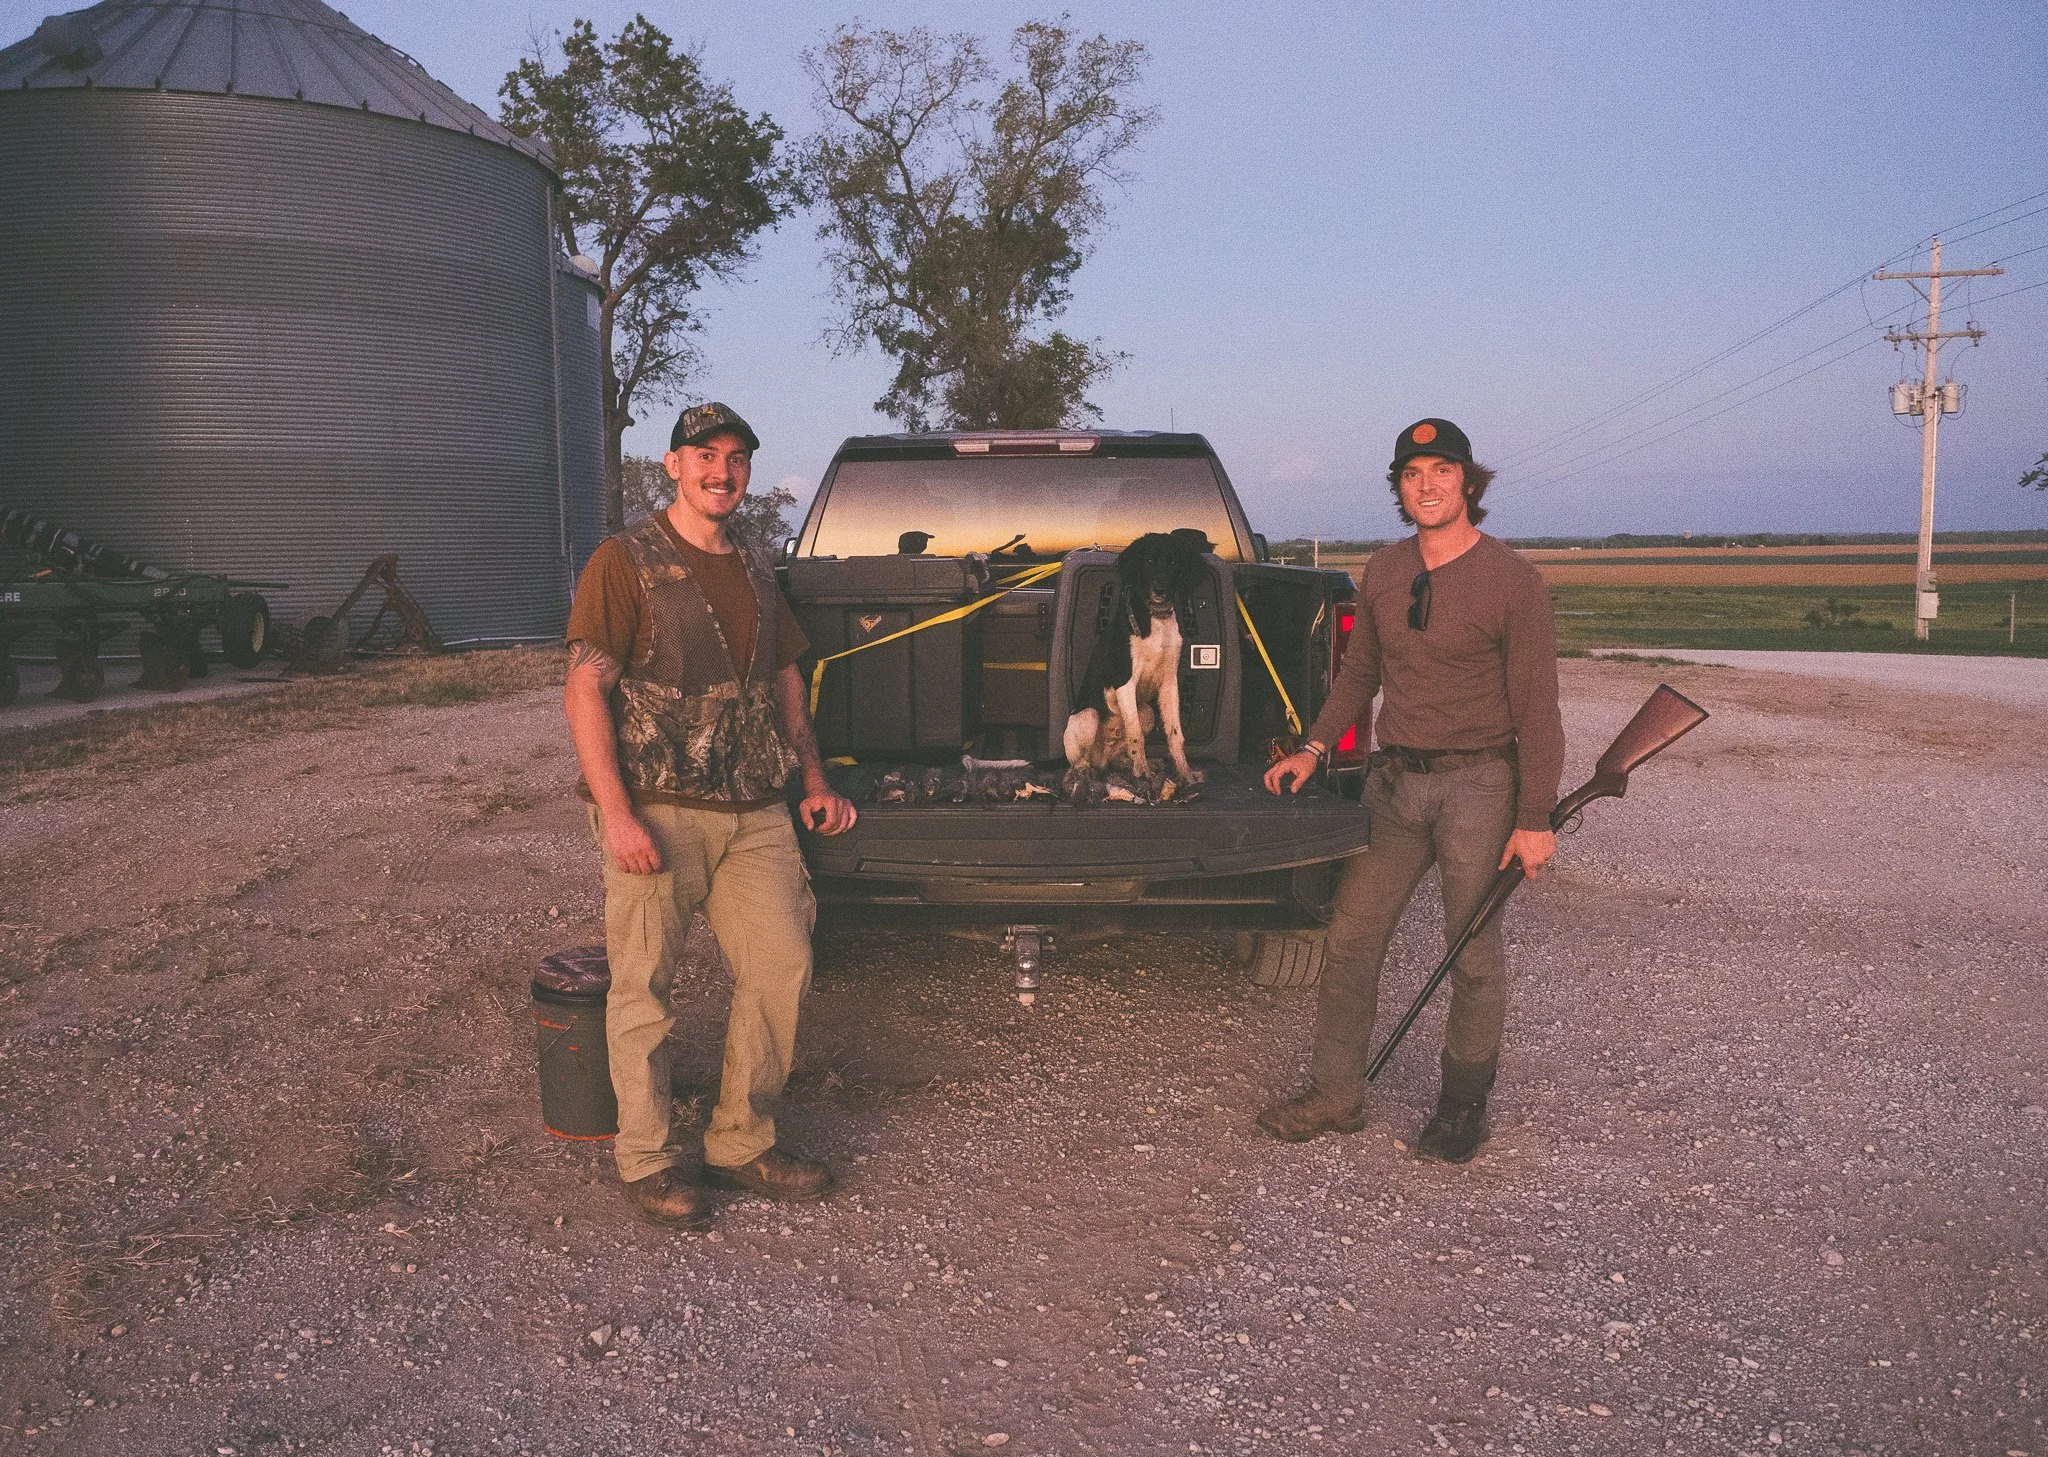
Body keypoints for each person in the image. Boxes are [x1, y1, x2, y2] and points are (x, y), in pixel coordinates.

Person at [563, 401, 857, 1227]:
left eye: (735, 458)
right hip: (658, 809)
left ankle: (740, 1142)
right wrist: (617, 816)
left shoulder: (758, 567)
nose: (720, 470)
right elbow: (586, 687)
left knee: (780, 964)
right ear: (672, 464)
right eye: (704, 455)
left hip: (755, 810)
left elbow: (786, 679)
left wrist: (814, 781)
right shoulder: (624, 561)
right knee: (645, 985)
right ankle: (648, 1159)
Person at [1259, 418, 1563, 1163]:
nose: (1427, 484)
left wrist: (1534, 817)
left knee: (1472, 953)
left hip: (1480, 786)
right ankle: (1336, 1096)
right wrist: (1312, 747)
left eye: (1441, 470)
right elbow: (1360, 675)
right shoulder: (1386, 569)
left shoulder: (1512, 581)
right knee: (1351, 939)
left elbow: (1538, 709)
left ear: (1468, 481)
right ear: (1399, 488)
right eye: (1411, 473)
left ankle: (1462, 1109)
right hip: (1394, 786)